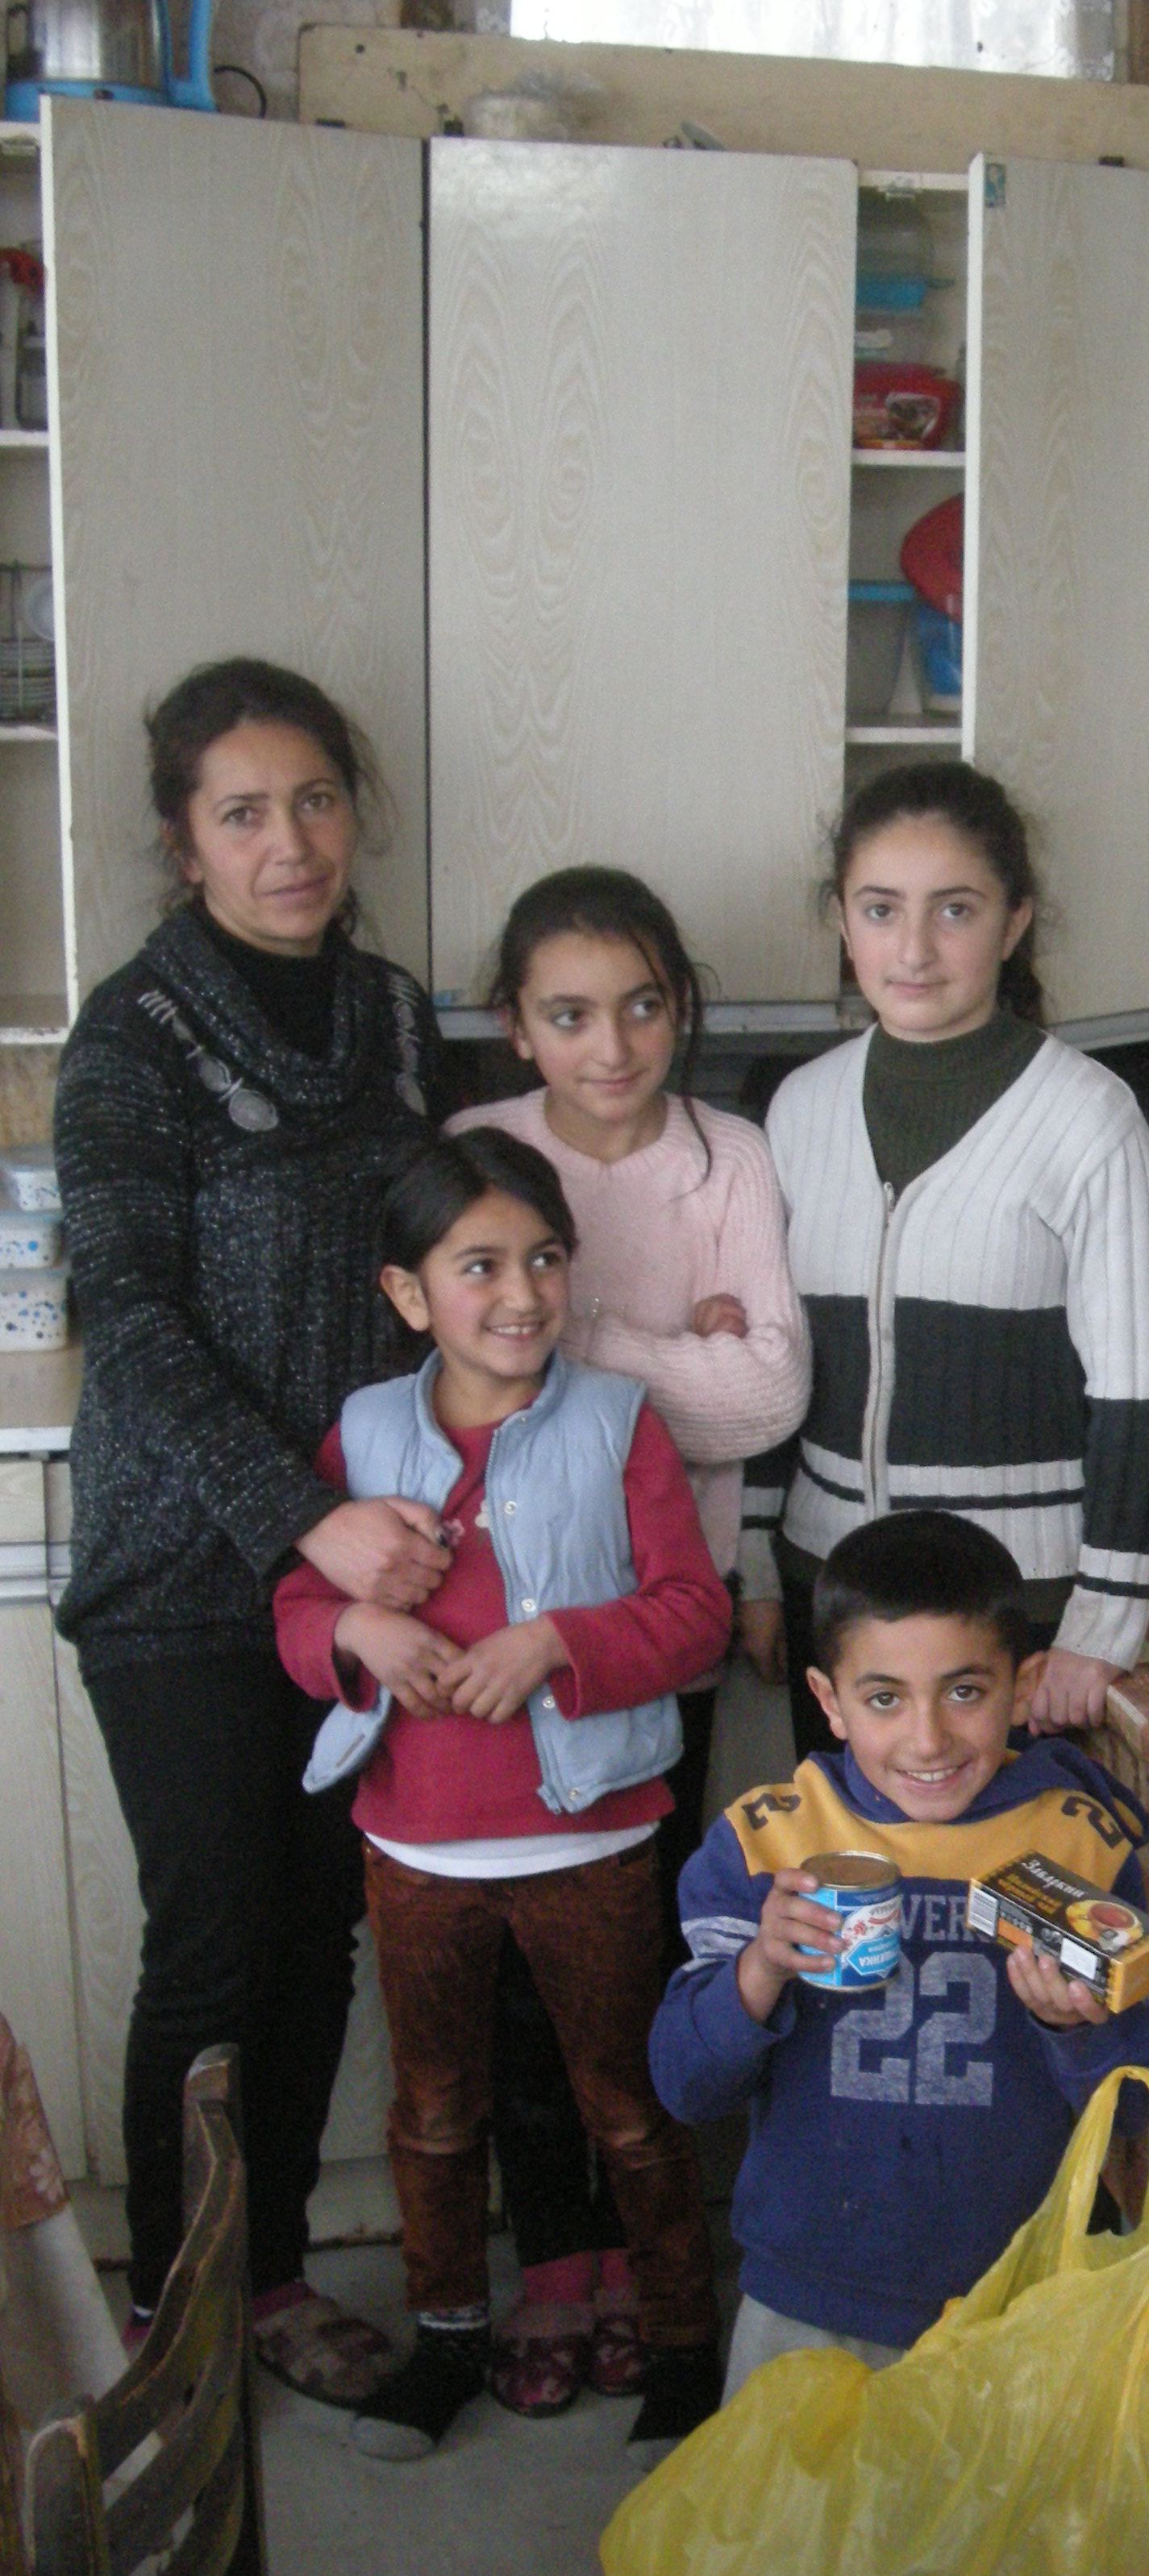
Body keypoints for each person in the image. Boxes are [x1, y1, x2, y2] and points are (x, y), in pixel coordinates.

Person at [53, 657, 448, 2408]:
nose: (287, 841)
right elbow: (125, 1322)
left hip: (360, 1557)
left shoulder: (394, 1012)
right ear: (181, 839)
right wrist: (307, 1519)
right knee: (213, 1938)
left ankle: (272, 2271)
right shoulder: (129, 1035)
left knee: (317, 1935)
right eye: (241, 811)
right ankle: (176, 2319)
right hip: (188, 1567)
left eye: (313, 800)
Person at [273, 1133, 731, 2458]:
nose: (522, 1293)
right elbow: (301, 1613)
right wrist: (362, 1637)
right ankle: (449, 2342)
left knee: (629, 2104)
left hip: (594, 1836)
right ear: (410, 1294)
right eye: (480, 1266)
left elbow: (693, 1615)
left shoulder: (619, 1418)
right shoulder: (361, 1433)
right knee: (430, 2110)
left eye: (543, 1259)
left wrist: (558, 1645)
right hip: (418, 1844)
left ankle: (684, 2344)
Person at [450, 866, 807, 2416]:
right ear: (514, 1026)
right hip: (498, 1608)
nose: (613, 1047)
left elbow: (770, 1400)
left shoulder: (731, 1153)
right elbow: (476, 1373)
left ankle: (663, 2279)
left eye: (644, 1006)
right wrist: (677, 1346)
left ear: (683, 1008)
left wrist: (581, 1339)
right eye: (571, 1014)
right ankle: (556, 2266)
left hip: (665, 1602)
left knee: (646, 1943)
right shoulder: (484, 1159)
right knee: (513, 1966)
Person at [649, 1509, 1149, 2395]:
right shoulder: (767, 1844)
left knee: (1010, 2532)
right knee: (811, 2531)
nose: (928, 1739)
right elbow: (683, 2083)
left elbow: (1141, 2111)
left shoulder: (1078, 1842)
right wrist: (761, 1968)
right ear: (828, 1701)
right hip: (812, 2291)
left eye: (966, 1692)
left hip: (1028, 2292)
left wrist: (1079, 2031)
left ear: (1025, 1686)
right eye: (884, 1697)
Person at [756, 761, 1149, 1755]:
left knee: (1010, 1898)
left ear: (1015, 921)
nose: (912, 948)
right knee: (851, 1889)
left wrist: (1103, 1626)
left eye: (955, 909)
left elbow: (1141, 1399)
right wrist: (751, 1566)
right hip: (836, 1596)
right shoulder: (801, 1109)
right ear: (840, 918)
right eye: (879, 908)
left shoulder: (1087, 1117)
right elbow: (770, 1363)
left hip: (1013, 1621)